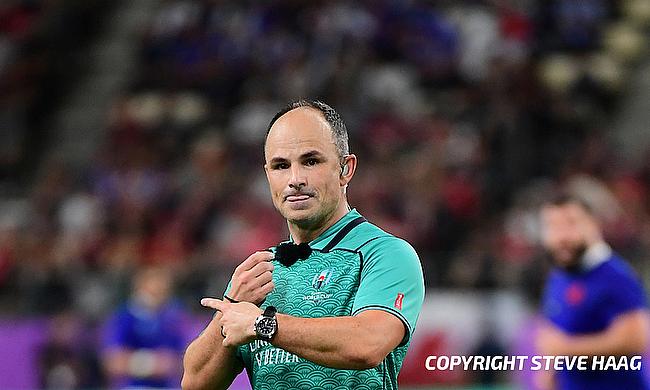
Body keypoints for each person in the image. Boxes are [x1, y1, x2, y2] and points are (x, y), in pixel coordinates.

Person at [182, 100, 425, 390]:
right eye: (281, 166)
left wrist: (262, 324)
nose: (295, 179)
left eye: (311, 161)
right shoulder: (260, 272)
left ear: (345, 169)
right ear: (268, 175)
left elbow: (367, 344)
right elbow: (196, 383)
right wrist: (233, 306)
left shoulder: (385, 254)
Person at [536, 194, 650, 390]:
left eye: (571, 224)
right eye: (553, 226)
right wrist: (549, 371)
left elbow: (635, 339)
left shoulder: (615, 276)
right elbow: (557, 333)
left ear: (593, 225)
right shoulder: (559, 276)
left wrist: (565, 348)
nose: (561, 236)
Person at [102, 266, 186, 388]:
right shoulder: (124, 317)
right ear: (140, 288)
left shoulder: (173, 317)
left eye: (163, 289)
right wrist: (151, 364)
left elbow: (183, 359)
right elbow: (112, 362)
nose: (160, 293)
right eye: (155, 289)